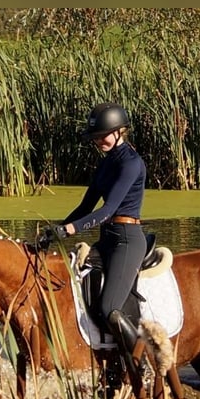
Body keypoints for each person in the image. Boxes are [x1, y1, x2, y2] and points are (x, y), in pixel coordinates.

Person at [42, 102, 147, 366]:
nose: (99, 141)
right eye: (95, 138)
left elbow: (108, 209)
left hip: (127, 240)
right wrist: (55, 231)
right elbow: (86, 207)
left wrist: (71, 229)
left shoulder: (131, 164)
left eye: (103, 135)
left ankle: (140, 363)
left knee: (108, 308)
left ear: (120, 131)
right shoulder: (105, 165)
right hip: (108, 239)